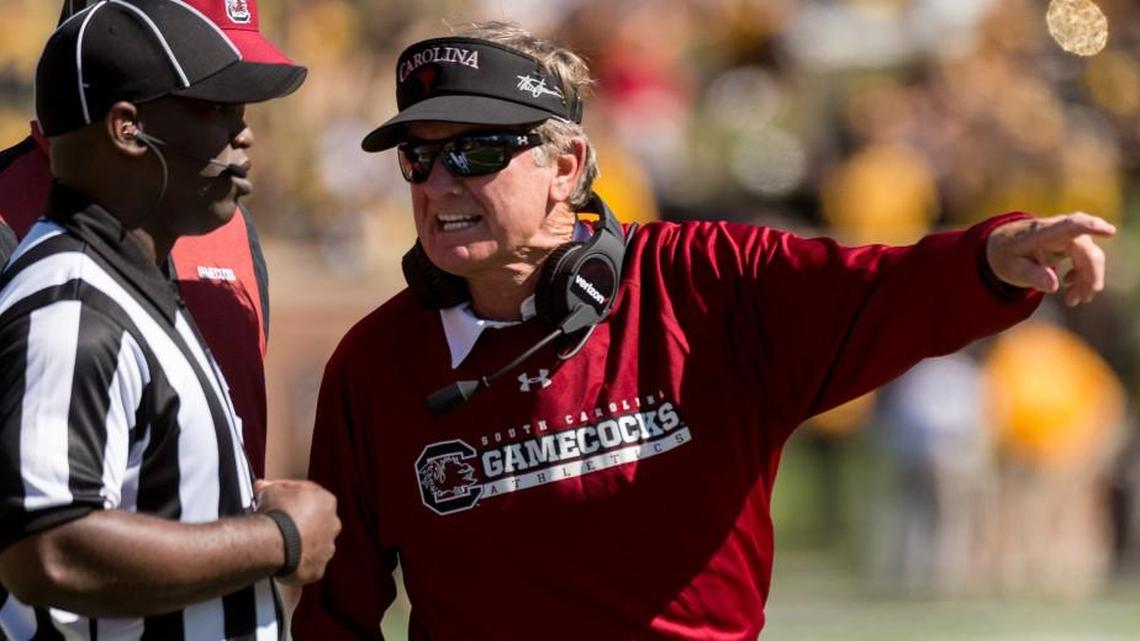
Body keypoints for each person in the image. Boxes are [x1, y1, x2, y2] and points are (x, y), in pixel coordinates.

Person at [291, 22, 1114, 640]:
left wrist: (992, 255)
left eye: (476, 153)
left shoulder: (705, 282)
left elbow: (880, 290)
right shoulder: (374, 364)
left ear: (567, 167)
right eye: (418, 159)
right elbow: (336, 611)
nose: (439, 183)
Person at [0, 1, 339, 639]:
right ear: (128, 129)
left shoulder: (135, 277)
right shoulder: (72, 302)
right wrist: (277, 541)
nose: (245, 134)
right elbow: (45, 549)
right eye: (215, 109)